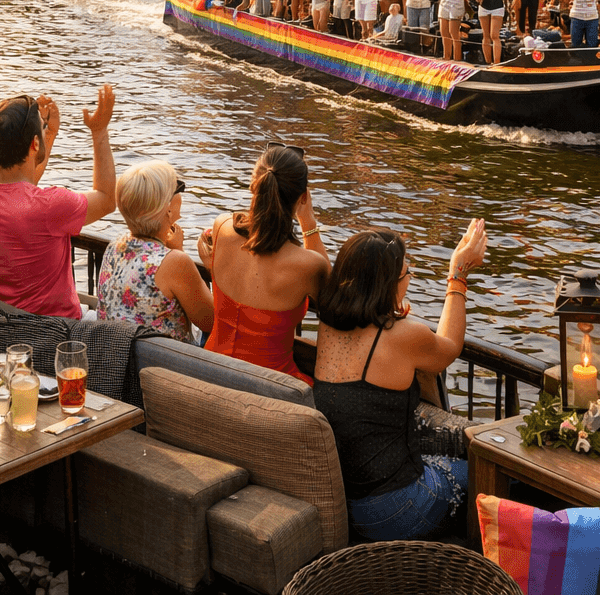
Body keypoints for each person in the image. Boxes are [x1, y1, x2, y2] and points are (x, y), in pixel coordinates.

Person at [314, 221, 487, 540]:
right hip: (394, 509)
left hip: (346, 498)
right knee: (491, 476)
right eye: (406, 273)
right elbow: (448, 348)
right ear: (388, 285)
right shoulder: (401, 336)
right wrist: (458, 274)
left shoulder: (328, 323)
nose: (410, 278)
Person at [0, 87, 116, 319]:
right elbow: (107, 199)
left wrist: (48, 134)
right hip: (56, 330)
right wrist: (99, 131)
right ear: (34, 144)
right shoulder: (52, 206)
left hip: (0, 321)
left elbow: (20, 189)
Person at [197, 144, 330, 384]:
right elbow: (333, 298)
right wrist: (308, 220)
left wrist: (211, 267)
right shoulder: (309, 265)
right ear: (302, 197)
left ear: (252, 186)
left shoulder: (221, 227)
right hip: (270, 387)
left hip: (210, 373)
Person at [97, 160, 213, 343]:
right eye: (177, 187)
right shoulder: (175, 262)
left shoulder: (115, 246)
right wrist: (212, 266)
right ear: (167, 208)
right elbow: (211, 321)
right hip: (160, 367)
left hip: (117, 354)